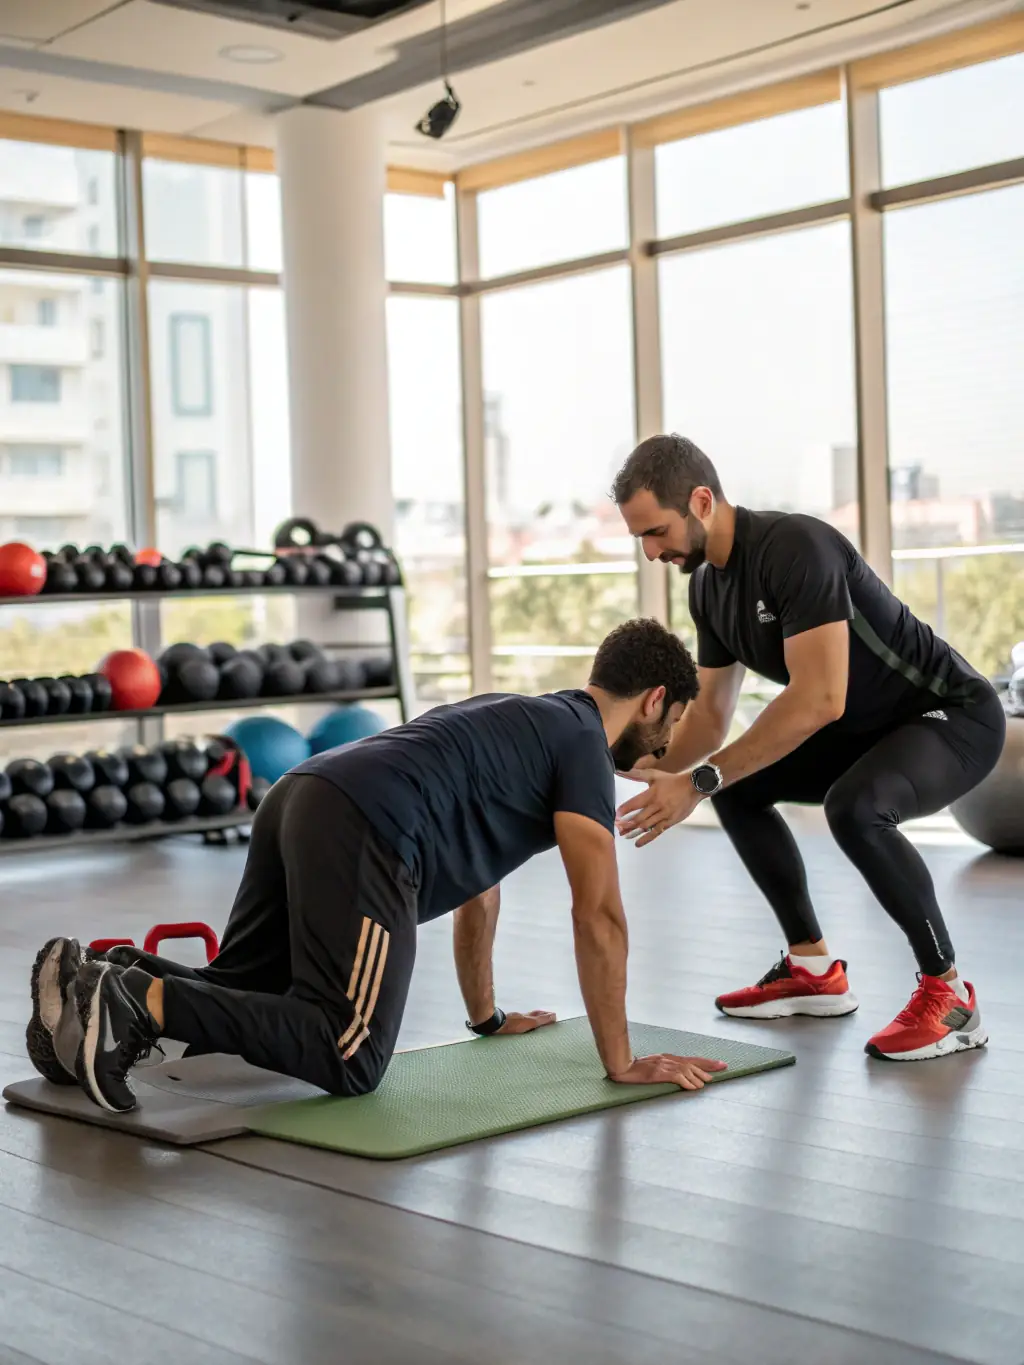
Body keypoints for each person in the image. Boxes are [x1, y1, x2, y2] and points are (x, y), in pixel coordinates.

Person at [28, 617, 728, 1113]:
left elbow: (479, 890)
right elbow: (598, 912)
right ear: (655, 699)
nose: (663, 749)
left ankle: (100, 972)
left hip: (301, 793)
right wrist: (622, 1061)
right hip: (363, 824)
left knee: (246, 987)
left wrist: (486, 1018)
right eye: (668, 728)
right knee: (346, 1050)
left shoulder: (526, 716)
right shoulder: (582, 748)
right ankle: (134, 1002)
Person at [612, 434, 1005, 1062]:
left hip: (950, 716)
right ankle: (813, 971)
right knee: (737, 786)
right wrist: (619, 759)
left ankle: (951, 997)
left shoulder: (795, 548)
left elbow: (820, 698)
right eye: (641, 539)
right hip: (863, 730)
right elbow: (710, 716)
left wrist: (697, 781)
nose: (652, 551)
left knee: (855, 808)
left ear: (702, 501)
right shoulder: (707, 589)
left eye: (655, 532)